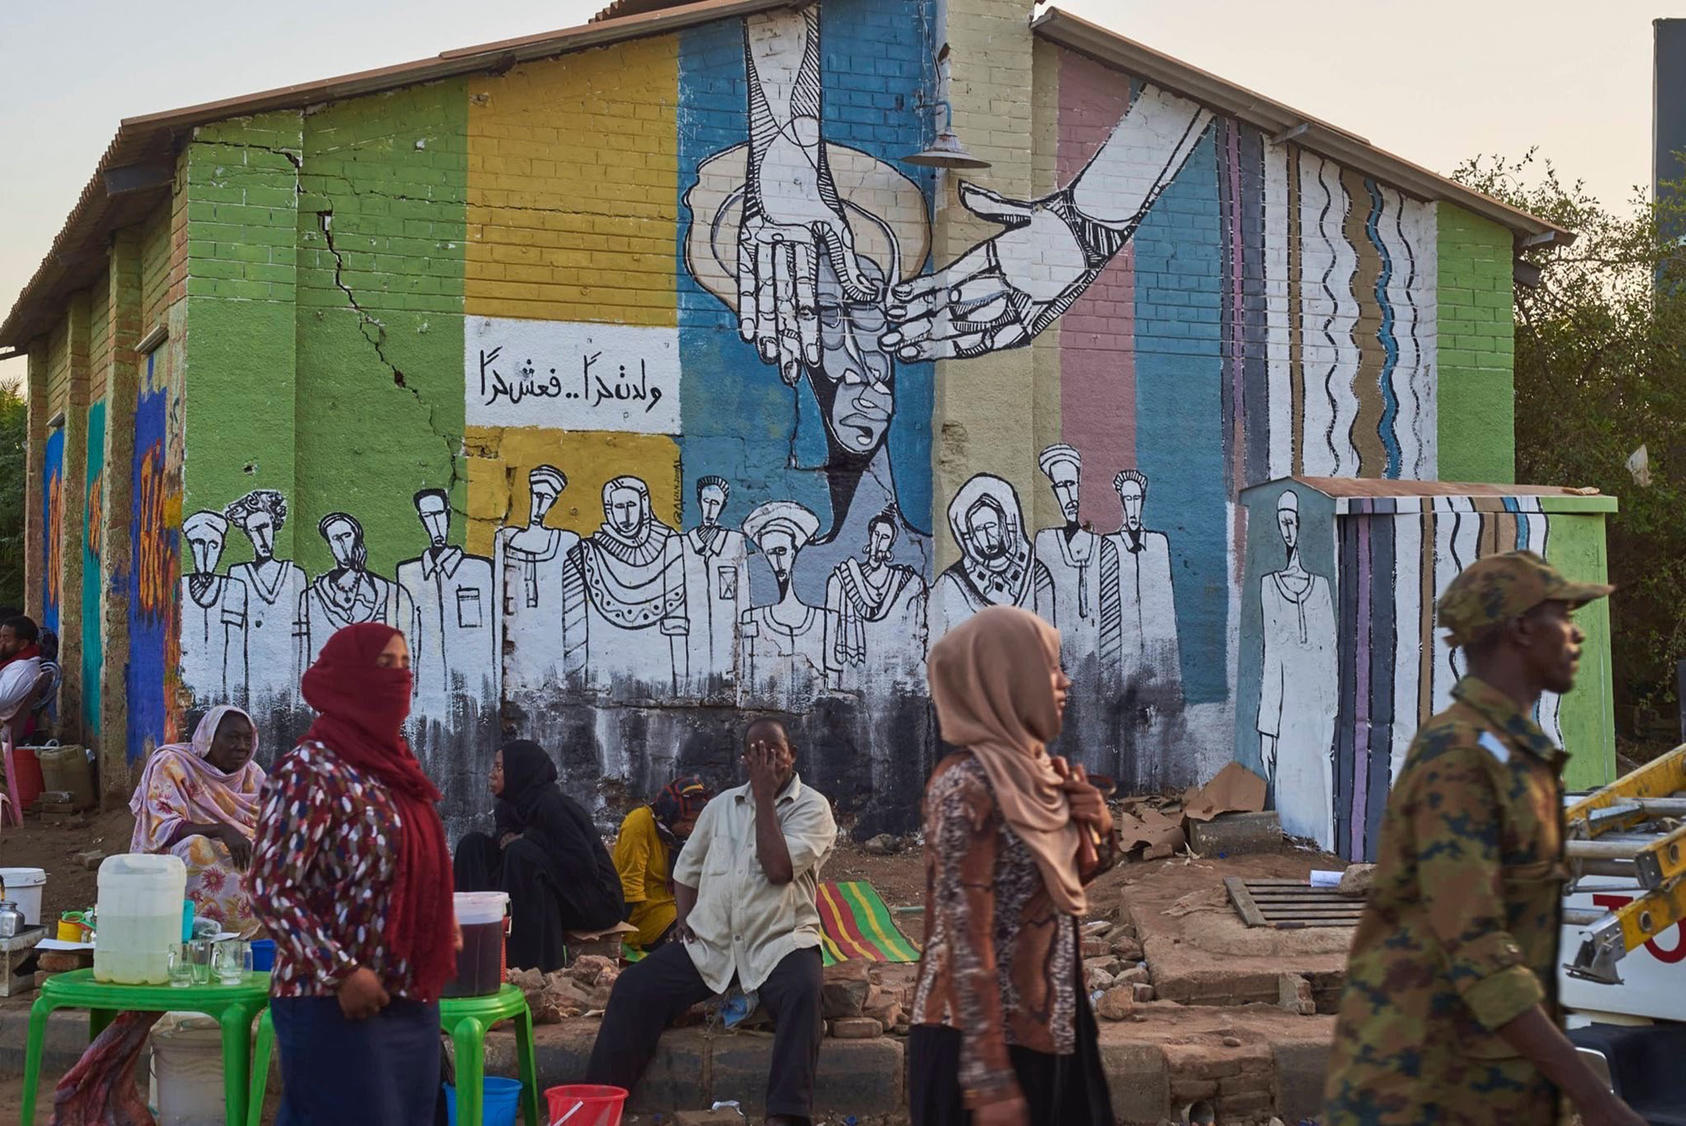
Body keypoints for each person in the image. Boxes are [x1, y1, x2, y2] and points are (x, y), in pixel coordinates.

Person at [1322, 551, 1644, 1126]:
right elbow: (1478, 954)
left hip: (1481, 1085)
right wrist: (1598, 1101)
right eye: (1563, 614)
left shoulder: (1513, 754)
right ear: (1521, 627)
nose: (1577, 633)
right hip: (1424, 1090)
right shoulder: (1462, 760)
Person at [908, 605, 1119, 1126]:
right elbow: (964, 934)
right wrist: (989, 1078)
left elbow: (1061, 882)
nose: (1065, 681)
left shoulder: (1043, 772)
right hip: (977, 1039)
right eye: (1048, 668)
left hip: (1054, 1020)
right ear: (1007, 678)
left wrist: (1102, 826)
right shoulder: (966, 788)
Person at [247, 624, 458, 1126]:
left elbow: (414, 866)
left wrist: (439, 921)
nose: (399, 677)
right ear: (347, 677)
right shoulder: (309, 771)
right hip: (331, 1003)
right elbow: (270, 888)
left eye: (405, 664)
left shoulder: (397, 768)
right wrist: (341, 972)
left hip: (406, 997)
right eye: (384, 665)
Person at [586, 720, 837, 1125]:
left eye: (774, 751)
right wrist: (685, 922)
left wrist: (763, 797)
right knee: (633, 989)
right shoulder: (721, 808)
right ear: (745, 760)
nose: (766, 760)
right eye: (756, 752)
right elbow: (687, 870)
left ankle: (787, 1114)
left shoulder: (812, 807)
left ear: (792, 756)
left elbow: (777, 869)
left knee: (804, 994)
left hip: (779, 940)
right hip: (714, 945)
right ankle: (598, 1106)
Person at [453, 739, 625, 971]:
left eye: (499, 768)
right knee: (472, 846)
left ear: (519, 771)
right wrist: (508, 838)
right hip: (548, 891)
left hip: (594, 900)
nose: (492, 774)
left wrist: (530, 840)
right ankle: (473, 940)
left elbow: (583, 867)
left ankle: (528, 966)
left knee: (521, 854)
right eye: (494, 767)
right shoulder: (509, 805)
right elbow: (503, 844)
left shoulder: (553, 805)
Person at [128, 706, 266, 937]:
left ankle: (239, 935)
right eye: (232, 738)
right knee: (196, 847)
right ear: (209, 738)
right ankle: (189, 932)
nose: (242, 746)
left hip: (236, 853)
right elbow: (161, 827)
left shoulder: (253, 775)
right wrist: (222, 830)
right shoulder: (173, 763)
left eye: (247, 739)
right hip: (172, 857)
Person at [611, 775, 714, 951]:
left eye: (695, 822)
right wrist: (617, 935)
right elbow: (630, 886)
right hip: (643, 915)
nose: (690, 827)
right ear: (669, 812)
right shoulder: (640, 822)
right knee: (691, 944)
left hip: (678, 906)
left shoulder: (685, 837)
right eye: (685, 820)